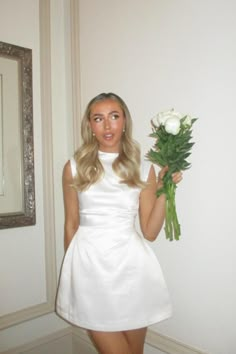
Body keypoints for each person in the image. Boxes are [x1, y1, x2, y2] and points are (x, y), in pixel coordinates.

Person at [56, 92, 182, 354]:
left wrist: (164, 190)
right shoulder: (74, 167)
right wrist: (73, 273)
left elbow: (149, 232)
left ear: (125, 121)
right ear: (90, 126)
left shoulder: (141, 166)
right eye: (98, 118)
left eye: (114, 116)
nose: (107, 125)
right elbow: (71, 224)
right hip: (89, 268)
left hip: (131, 270)